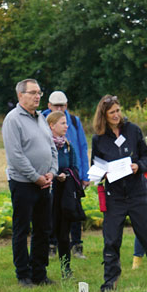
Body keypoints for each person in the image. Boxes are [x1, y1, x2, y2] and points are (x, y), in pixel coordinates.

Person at [91, 95, 147, 292]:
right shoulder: (99, 138)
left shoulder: (133, 130)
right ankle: (110, 281)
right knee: (111, 240)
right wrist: (102, 172)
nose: (117, 115)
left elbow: (146, 155)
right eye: (112, 112)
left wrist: (139, 165)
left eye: (118, 110)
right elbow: (96, 164)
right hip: (114, 196)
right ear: (104, 115)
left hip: (137, 193)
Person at [2, 78, 57, 287]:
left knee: (43, 229)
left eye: (39, 93)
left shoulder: (41, 118)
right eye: (33, 92)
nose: (37, 96)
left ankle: (39, 272)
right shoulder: (13, 120)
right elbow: (15, 155)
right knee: (22, 228)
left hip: (45, 183)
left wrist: (52, 172)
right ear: (20, 95)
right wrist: (36, 177)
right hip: (23, 183)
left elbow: (51, 147)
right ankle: (23, 274)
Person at [43, 90, 89, 259]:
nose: (60, 107)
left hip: (71, 177)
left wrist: (84, 175)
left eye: (62, 105)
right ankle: (52, 245)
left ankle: (76, 245)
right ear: (49, 106)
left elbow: (82, 147)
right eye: (56, 105)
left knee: (73, 209)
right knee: (52, 212)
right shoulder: (42, 121)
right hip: (51, 178)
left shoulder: (74, 122)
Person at [46, 110, 81, 278]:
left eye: (66, 123)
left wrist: (67, 174)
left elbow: (74, 166)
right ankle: (38, 269)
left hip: (64, 193)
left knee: (63, 232)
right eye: (62, 123)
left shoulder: (67, 145)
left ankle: (66, 269)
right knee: (45, 229)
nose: (66, 126)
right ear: (52, 125)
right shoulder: (45, 145)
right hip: (48, 192)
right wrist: (54, 174)